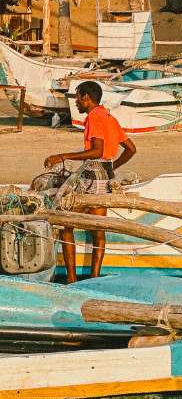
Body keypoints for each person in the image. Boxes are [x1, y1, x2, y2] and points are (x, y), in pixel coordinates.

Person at [45, 81, 136, 282]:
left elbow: (97, 151)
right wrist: (111, 168)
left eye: (77, 97)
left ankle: (71, 278)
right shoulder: (108, 117)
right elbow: (131, 148)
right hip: (105, 177)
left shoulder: (94, 116)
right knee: (98, 231)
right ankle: (94, 278)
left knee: (65, 225)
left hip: (92, 178)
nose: (76, 102)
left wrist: (62, 156)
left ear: (86, 98)